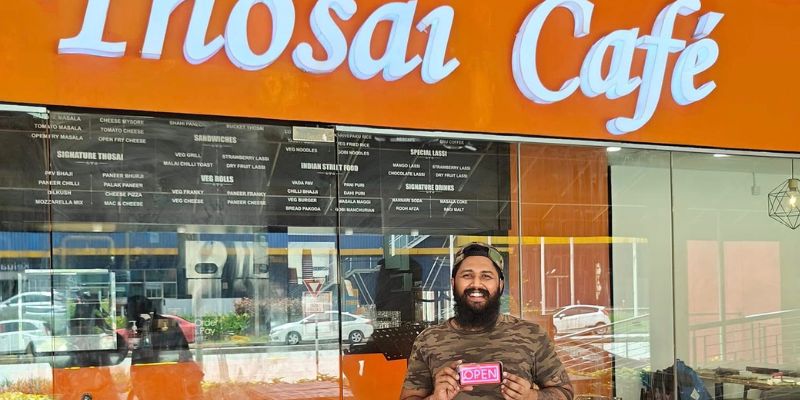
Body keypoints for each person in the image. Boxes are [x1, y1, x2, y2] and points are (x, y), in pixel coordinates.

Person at [400, 242, 574, 400]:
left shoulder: (532, 335)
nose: (476, 284)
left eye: (486, 276)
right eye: (467, 275)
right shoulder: (428, 340)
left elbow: (564, 393)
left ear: (500, 285)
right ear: (453, 283)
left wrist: (532, 397)